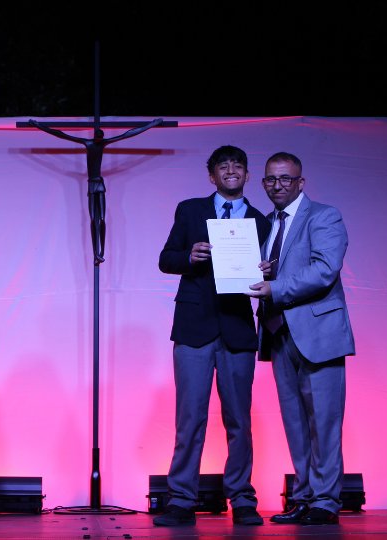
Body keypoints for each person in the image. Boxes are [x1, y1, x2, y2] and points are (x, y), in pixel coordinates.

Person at [154, 145, 271, 527]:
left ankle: (242, 498)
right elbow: (166, 258)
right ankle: (181, 499)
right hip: (194, 327)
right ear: (212, 176)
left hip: (237, 327)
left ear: (247, 175)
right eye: (224, 165)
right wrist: (190, 257)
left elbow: (271, 274)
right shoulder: (190, 210)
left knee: (239, 420)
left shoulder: (260, 221)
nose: (231, 170)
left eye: (238, 165)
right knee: (189, 418)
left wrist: (267, 272)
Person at [247, 152, 355, 525]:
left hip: (318, 334)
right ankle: (304, 497)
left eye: (285, 179)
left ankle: (325, 501)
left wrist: (275, 287)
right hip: (278, 333)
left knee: (323, 422)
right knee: (295, 422)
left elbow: (325, 269)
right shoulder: (266, 224)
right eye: (270, 179)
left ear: (300, 182)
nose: (277, 186)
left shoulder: (324, 216)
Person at [27, 118, 163, 264]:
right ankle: (96, 254)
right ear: (95, 137)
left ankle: (101, 253)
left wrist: (151, 124)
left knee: (102, 219)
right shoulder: (88, 143)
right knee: (93, 219)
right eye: (98, 139)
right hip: (91, 184)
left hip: (99, 183)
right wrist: (38, 125)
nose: (99, 141)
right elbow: (61, 134)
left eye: (101, 139)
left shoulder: (103, 143)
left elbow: (128, 134)